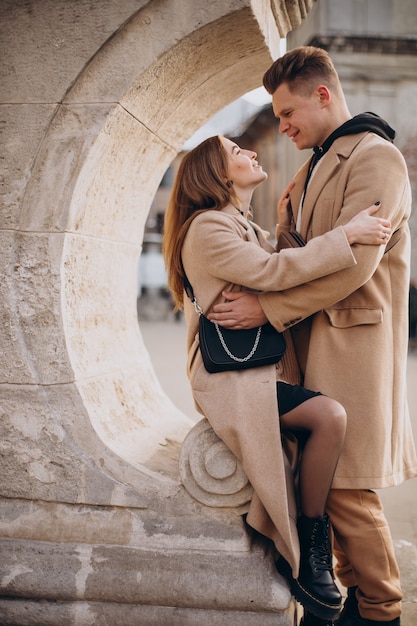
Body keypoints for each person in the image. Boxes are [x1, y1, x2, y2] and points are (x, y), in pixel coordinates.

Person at [208, 47, 417, 626]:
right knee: (322, 480)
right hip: (308, 345)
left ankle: (380, 611)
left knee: (349, 488)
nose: (281, 126)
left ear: (321, 94)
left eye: (285, 112)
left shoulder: (377, 158)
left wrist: (265, 310)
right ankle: (353, 598)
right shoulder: (307, 170)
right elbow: (298, 254)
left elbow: (356, 266)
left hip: (353, 347)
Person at [162, 134, 392, 622]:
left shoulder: (236, 223)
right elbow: (272, 271)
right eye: (235, 151)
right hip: (230, 379)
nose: (250, 152)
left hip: (255, 370)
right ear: (218, 174)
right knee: (328, 416)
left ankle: (315, 553)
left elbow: (275, 258)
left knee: (326, 419)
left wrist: (286, 222)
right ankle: (313, 553)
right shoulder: (206, 228)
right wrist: (348, 233)